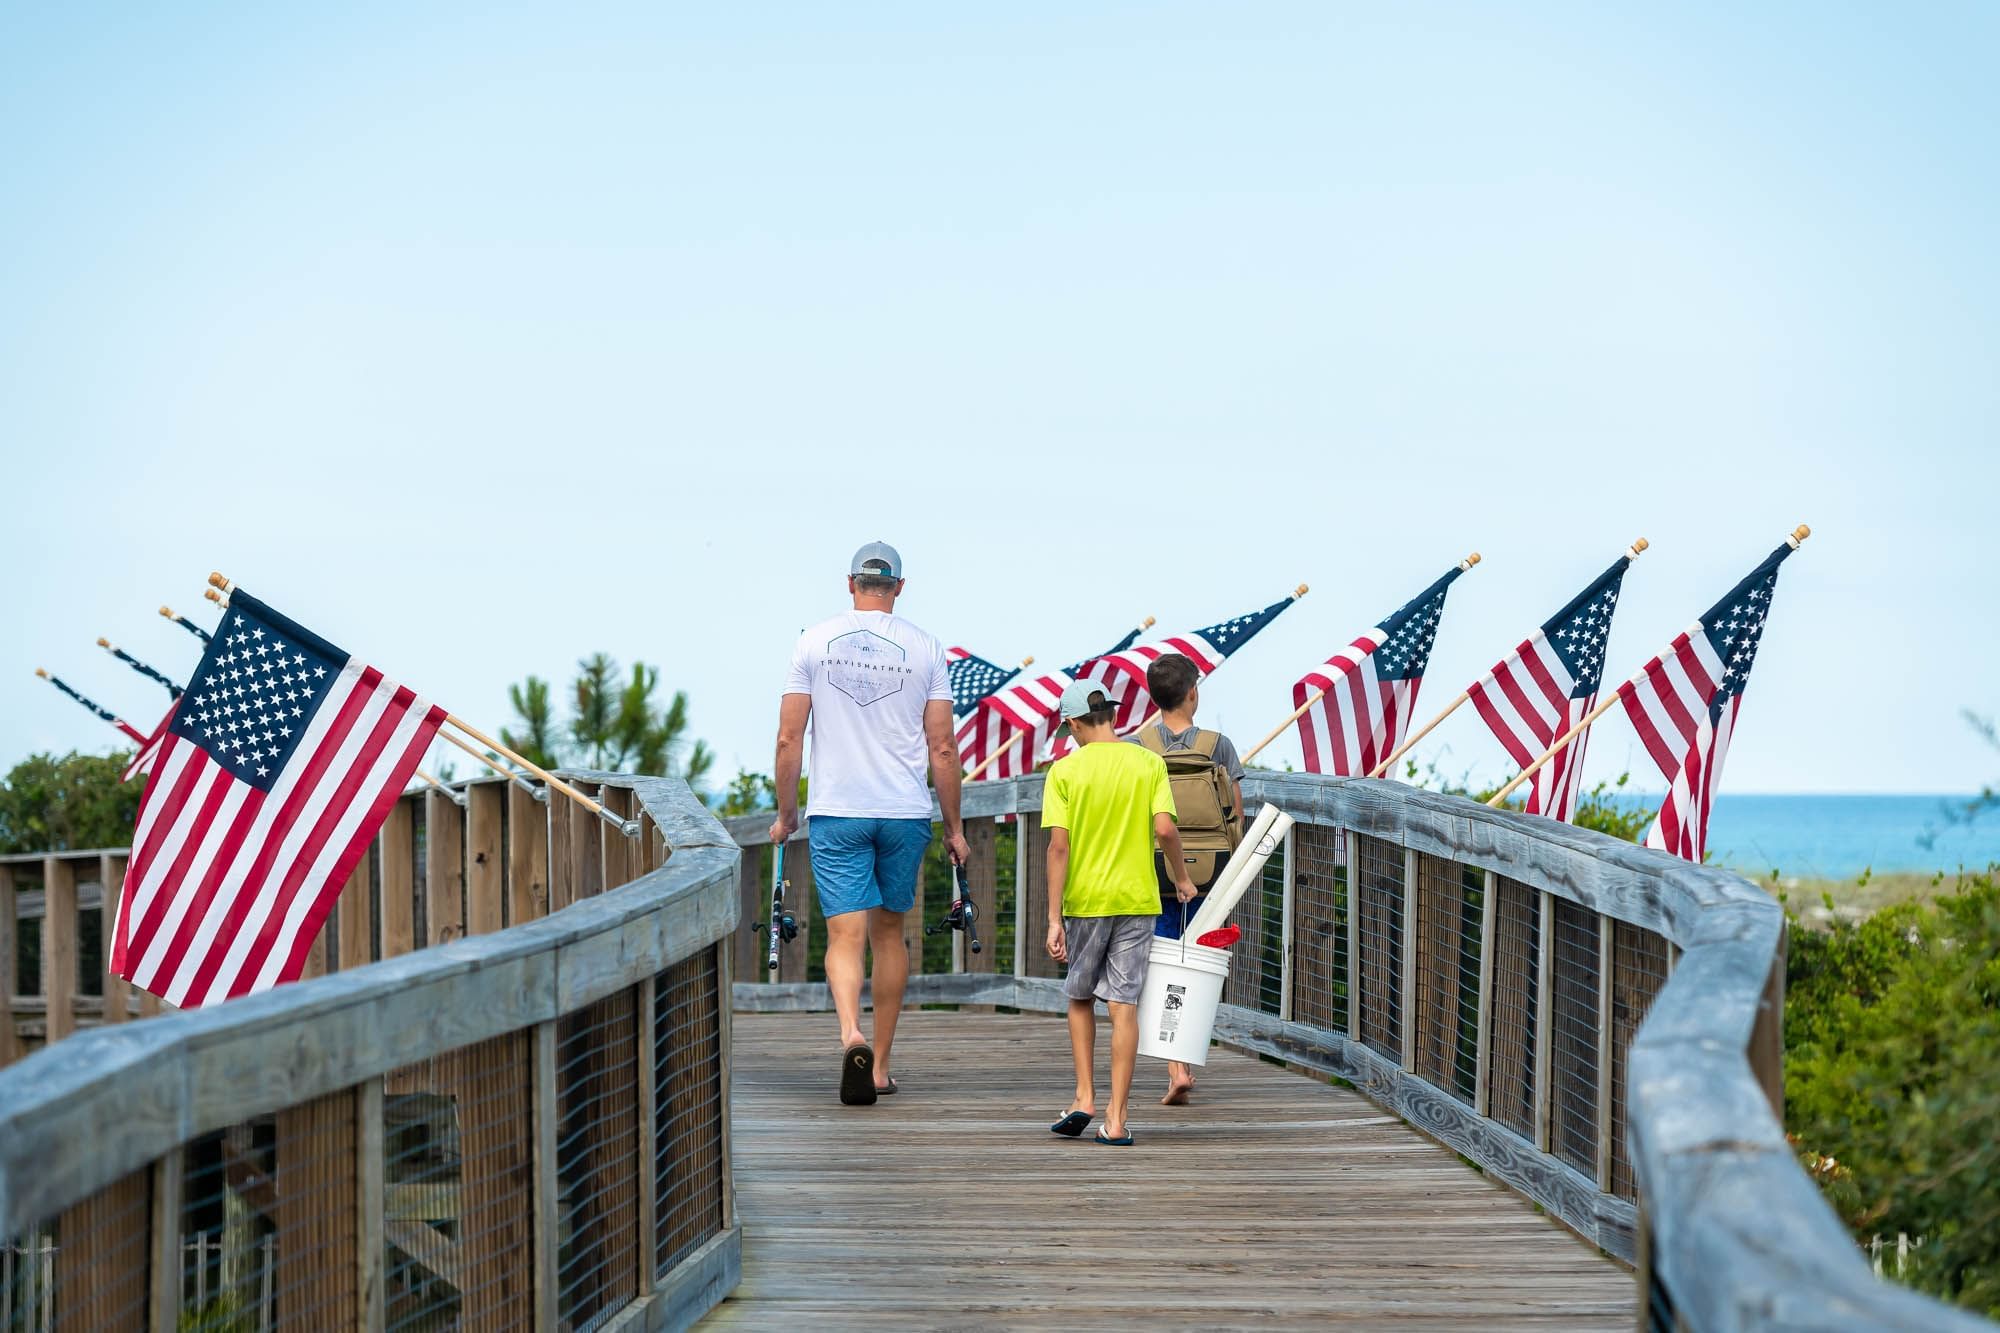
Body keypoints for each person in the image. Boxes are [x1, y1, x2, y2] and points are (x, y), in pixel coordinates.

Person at [770, 541, 970, 1106]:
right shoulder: (926, 648)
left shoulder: (813, 641)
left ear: (850, 583)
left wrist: (788, 813)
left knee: (844, 935)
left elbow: (789, 738)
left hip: (838, 808)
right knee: (889, 935)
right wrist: (954, 829)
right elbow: (945, 748)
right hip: (903, 810)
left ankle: (848, 1032)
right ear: (899, 588)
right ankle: (879, 1066)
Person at [1044, 679, 1197, 1147]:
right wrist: (1181, 877)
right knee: (1124, 1005)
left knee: (1080, 996)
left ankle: (1085, 1097)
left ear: (1072, 723)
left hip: (1087, 901)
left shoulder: (1065, 771)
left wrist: (1054, 919)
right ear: (1111, 714)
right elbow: (1166, 829)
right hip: (1137, 900)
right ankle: (1115, 1119)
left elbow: (1058, 848)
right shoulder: (1148, 762)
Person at [1127, 652, 1246, 1106]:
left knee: (1159, 958)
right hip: (1210, 868)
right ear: (1193, 692)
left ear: (1154, 697)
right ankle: (1188, 1061)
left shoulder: (1139, 746)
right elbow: (1235, 810)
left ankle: (1174, 1068)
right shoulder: (1218, 745)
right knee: (1198, 957)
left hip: (1155, 865)